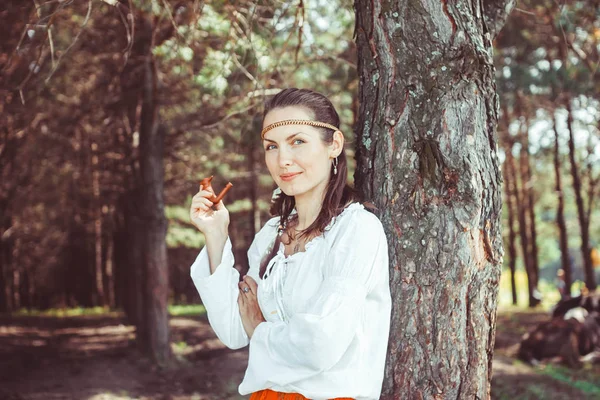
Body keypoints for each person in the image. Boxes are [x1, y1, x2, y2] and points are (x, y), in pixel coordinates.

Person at [188, 88, 392, 400]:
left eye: (298, 141)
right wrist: (216, 234)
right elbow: (233, 331)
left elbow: (321, 346)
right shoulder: (272, 234)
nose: (283, 159)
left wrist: (260, 329)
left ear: (333, 144)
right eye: (272, 146)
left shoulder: (356, 229)